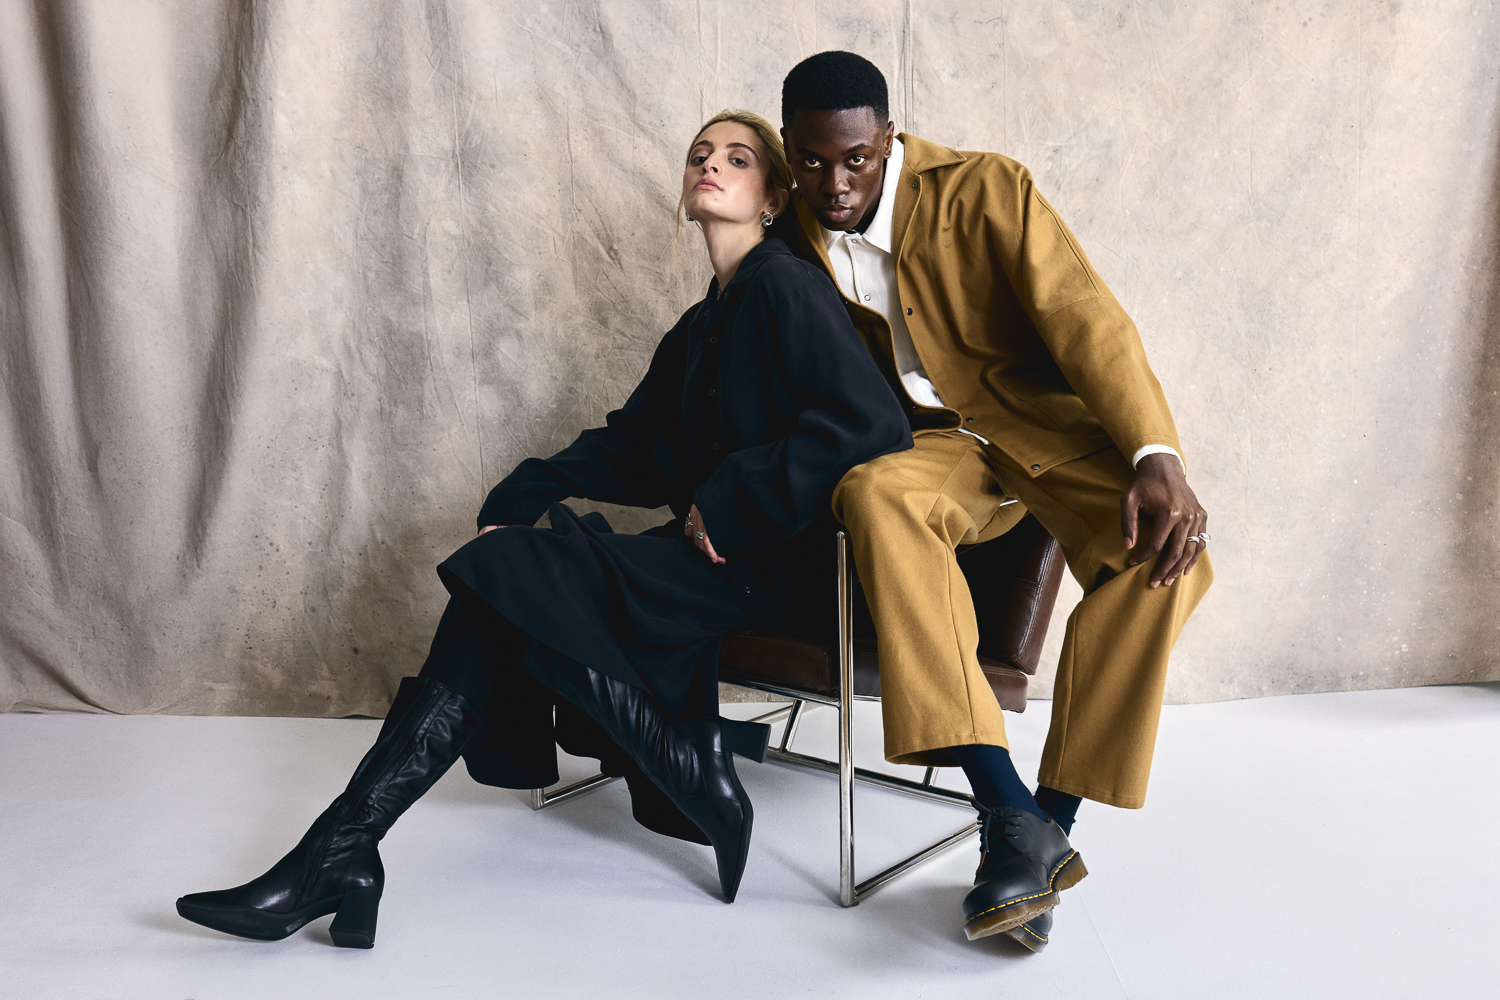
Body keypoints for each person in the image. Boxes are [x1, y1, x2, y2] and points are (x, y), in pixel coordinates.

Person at [175, 109, 912, 949]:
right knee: (509, 576)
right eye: (699, 155)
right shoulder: (701, 324)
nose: (710, 166)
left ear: (773, 196)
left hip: (775, 572)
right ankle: (347, 850)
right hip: (702, 563)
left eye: (737, 159)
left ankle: (343, 858)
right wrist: (519, 496)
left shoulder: (787, 286)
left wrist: (732, 500)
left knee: (514, 581)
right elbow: (630, 448)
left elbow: (871, 425)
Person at [767, 52, 1214, 950]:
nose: (835, 182)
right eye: (812, 161)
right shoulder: (789, 240)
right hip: (932, 450)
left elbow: (1086, 317)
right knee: (874, 496)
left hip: (1046, 430)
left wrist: (1155, 453)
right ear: (788, 150)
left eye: (855, 159)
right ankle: (1003, 806)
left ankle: (1044, 826)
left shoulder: (986, 189)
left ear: (888, 139)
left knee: (1166, 559)